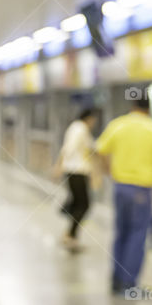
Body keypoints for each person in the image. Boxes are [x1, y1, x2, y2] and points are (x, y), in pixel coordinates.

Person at [95, 96, 152, 294]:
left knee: (121, 232)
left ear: (133, 106)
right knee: (137, 235)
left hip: (120, 187)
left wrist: (108, 170)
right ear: (149, 109)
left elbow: (100, 149)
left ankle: (116, 280)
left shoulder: (117, 125)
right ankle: (129, 284)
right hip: (142, 190)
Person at [54, 107, 101, 251]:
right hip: (77, 171)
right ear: (89, 117)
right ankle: (70, 235)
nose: (94, 122)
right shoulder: (79, 128)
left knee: (78, 203)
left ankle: (70, 234)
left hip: (75, 170)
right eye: (94, 119)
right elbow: (69, 148)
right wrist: (59, 165)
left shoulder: (77, 128)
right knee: (84, 204)